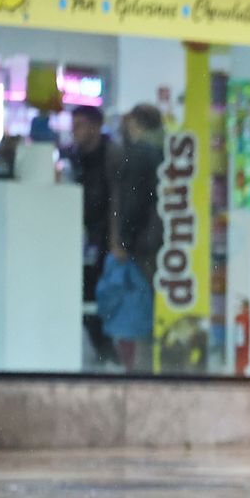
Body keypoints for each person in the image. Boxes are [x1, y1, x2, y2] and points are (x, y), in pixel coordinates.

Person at [105, 104, 166, 371]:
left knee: (136, 304)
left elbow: (131, 202)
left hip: (142, 245)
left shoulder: (138, 154)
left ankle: (140, 369)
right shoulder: (167, 151)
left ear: (136, 123)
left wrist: (123, 241)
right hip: (160, 242)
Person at [66, 106, 123, 366]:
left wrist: (115, 240)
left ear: (94, 126)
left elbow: (116, 201)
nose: (74, 131)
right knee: (87, 297)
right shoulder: (75, 157)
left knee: (101, 297)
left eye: (79, 125)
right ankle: (104, 354)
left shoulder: (112, 156)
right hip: (85, 238)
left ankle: (108, 354)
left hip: (104, 240)